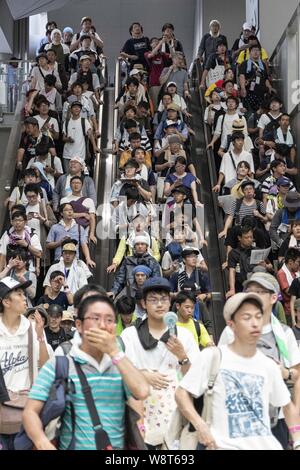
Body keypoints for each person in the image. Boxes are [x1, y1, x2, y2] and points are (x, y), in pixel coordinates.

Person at [23, 294, 149, 450]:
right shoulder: (61, 363)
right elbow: (30, 411)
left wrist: (115, 352)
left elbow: (142, 391)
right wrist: (42, 442)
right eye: (95, 319)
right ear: (79, 325)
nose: (103, 325)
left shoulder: (121, 363)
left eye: (110, 320)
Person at [176, 292, 300, 450]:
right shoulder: (213, 357)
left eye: (258, 317)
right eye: (247, 318)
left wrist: (297, 441)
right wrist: (200, 425)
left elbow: (287, 406)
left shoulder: (268, 365)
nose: (255, 323)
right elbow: (181, 393)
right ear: (231, 325)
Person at [219, 272, 300, 449]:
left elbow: (297, 375)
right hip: (237, 413)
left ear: (273, 297)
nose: (252, 295)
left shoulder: (285, 333)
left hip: (275, 415)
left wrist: (283, 373)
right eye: (249, 290)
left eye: (259, 291)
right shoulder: (230, 331)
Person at [121, 277, 200, 449]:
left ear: (170, 301)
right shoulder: (130, 336)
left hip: (176, 417)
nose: (159, 304)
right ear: (143, 303)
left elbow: (196, 379)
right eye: (153, 299)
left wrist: (182, 356)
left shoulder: (184, 336)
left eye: (164, 299)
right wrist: (142, 375)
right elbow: (119, 370)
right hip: (141, 416)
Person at [0, 276, 52, 449]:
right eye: (20, 294)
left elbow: (44, 365)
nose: (25, 298)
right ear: (6, 302)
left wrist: (40, 337)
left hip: (27, 412)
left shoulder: (32, 327)